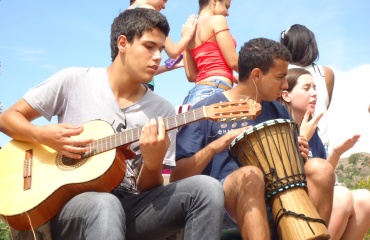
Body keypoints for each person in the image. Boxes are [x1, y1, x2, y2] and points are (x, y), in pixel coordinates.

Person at [0, 9, 224, 240]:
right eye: (149, 46)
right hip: (69, 208)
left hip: (130, 206)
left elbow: (147, 188)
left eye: (160, 49)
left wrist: (153, 162)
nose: (158, 56)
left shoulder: (162, 112)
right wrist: (41, 135)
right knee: (105, 205)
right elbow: (7, 119)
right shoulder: (74, 80)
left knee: (207, 189)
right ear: (123, 43)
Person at [172, 38, 335, 239]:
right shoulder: (206, 110)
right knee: (251, 175)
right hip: (222, 199)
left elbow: (290, 168)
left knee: (322, 169)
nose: (285, 85)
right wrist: (214, 148)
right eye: (280, 77)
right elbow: (177, 178)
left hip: (275, 193)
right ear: (257, 75)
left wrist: (298, 156)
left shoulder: (278, 111)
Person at [277, 68, 370, 240]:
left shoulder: (314, 131)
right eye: (306, 88)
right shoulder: (278, 129)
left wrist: (336, 153)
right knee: (342, 196)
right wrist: (301, 137)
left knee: (365, 199)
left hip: (314, 202)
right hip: (289, 205)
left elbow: (323, 177)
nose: (314, 93)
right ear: (286, 95)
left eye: (314, 88)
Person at [280, 24, 335, 155]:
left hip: (289, 142)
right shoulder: (326, 73)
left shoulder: (281, 72)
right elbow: (324, 106)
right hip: (321, 140)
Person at [129, 0, 196, 91]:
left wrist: (170, 67)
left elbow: (138, 70)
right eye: (164, 1)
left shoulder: (126, 15)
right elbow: (173, 52)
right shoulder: (147, 10)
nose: (164, 6)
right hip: (141, 89)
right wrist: (187, 36)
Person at [181, 0, 238, 106]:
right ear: (214, 1)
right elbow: (234, 62)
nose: (227, 13)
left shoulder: (189, 30)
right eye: (226, 6)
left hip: (195, 94)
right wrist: (259, 75)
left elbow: (191, 75)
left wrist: (227, 74)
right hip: (215, 92)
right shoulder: (217, 20)